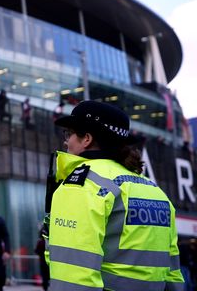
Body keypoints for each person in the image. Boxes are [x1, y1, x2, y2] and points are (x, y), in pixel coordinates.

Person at [49, 100, 184, 290]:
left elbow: (74, 273)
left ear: (86, 139)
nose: (66, 140)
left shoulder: (83, 185)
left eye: (69, 134)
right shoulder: (155, 191)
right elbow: (173, 273)